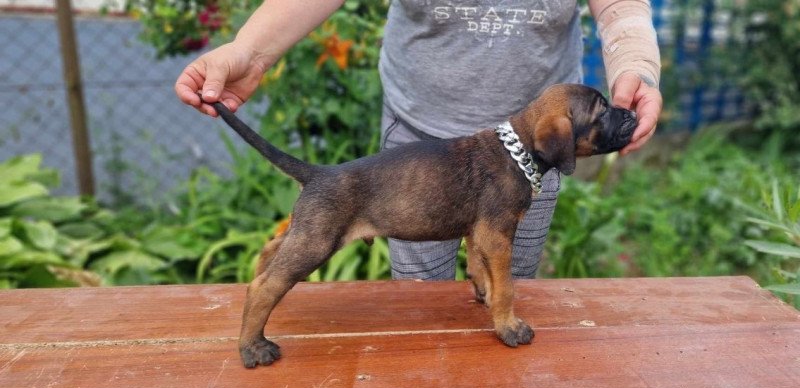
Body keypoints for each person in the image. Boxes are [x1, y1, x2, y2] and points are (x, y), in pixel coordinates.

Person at [176, 0, 663, 281]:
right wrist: (250, 52)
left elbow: (619, 4)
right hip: (419, 138)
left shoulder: (549, 140)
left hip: (536, 152)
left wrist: (637, 65)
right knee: (418, 294)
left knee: (506, 288)